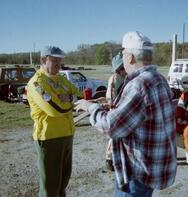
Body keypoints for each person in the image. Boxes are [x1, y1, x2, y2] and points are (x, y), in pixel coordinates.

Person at [75, 31, 177, 197]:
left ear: (130, 57)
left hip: (136, 172)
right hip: (151, 167)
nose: (122, 59)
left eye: (122, 54)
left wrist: (90, 107)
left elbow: (111, 126)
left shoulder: (138, 85)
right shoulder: (159, 79)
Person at [27, 46, 82, 197]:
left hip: (67, 135)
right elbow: (54, 109)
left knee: (63, 184)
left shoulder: (61, 79)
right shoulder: (37, 83)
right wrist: (69, 100)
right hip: (49, 138)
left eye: (60, 61)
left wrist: (69, 98)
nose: (59, 65)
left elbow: (81, 97)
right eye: (54, 61)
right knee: (50, 188)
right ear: (43, 60)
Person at [105, 52, 127, 171]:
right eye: (120, 69)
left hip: (125, 110)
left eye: (123, 68)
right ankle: (109, 159)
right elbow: (111, 98)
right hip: (116, 110)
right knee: (114, 135)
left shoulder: (128, 77)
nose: (123, 71)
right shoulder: (114, 79)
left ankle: (120, 158)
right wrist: (114, 109)